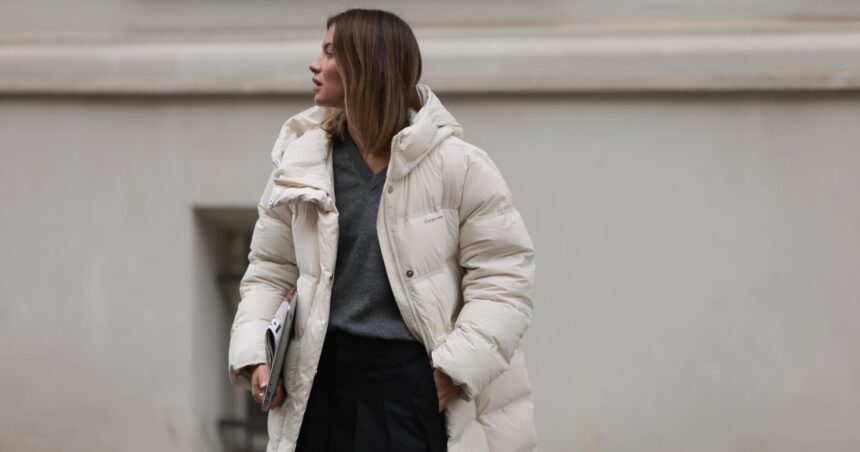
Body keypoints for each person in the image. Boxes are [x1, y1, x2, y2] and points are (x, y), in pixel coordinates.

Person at [228, 8, 537, 452]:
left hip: (409, 384)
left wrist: (453, 371)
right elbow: (270, 270)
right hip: (317, 381)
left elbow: (504, 280)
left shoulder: (460, 166)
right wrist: (257, 355)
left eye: (330, 53)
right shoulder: (301, 164)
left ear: (366, 66)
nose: (314, 64)